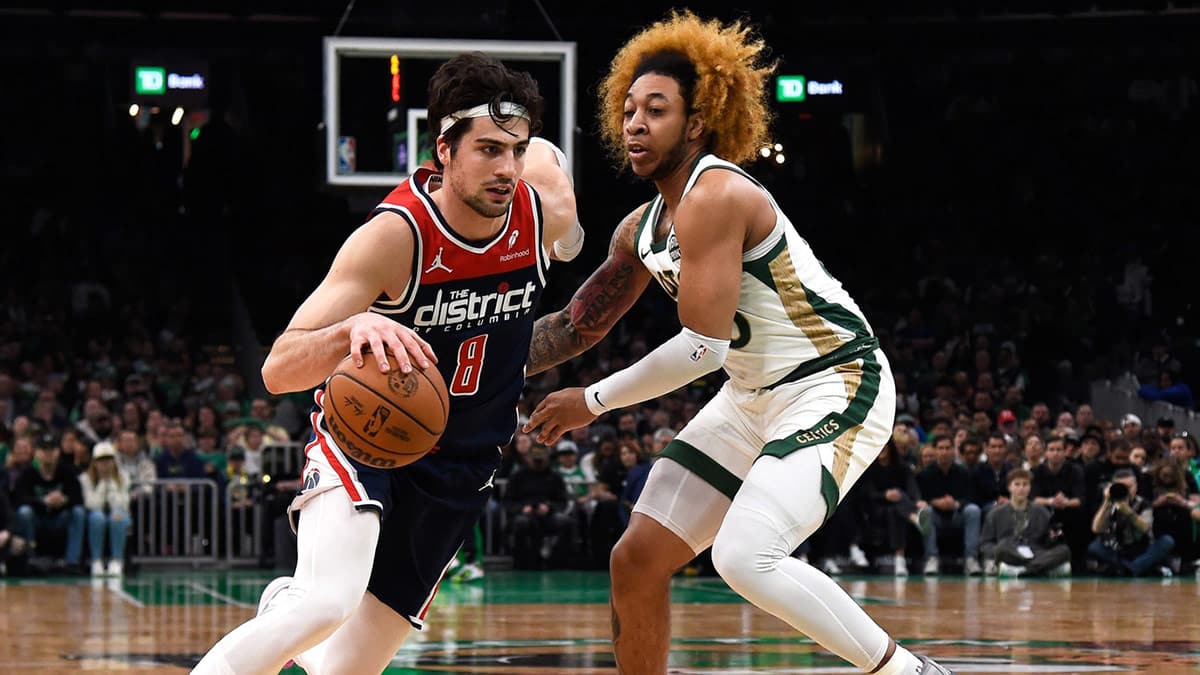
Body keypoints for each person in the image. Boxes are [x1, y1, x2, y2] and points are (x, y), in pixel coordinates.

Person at [523, 11, 951, 674]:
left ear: (696, 123)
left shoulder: (717, 193)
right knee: (636, 557)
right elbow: (575, 326)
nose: (635, 123)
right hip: (753, 395)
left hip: (836, 381)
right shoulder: (641, 226)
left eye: (656, 110)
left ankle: (910, 672)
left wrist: (595, 400)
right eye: (630, 109)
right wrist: (469, 350)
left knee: (745, 554)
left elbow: (702, 348)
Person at [193, 52, 579, 675]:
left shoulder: (541, 210)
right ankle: (293, 604)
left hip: (461, 466)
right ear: (443, 150)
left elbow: (560, 196)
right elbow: (278, 369)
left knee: (347, 668)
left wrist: (564, 220)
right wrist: (352, 328)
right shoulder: (396, 237)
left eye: (517, 149)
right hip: (367, 440)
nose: (506, 168)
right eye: (486, 150)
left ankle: (281, 609)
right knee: (325, 603)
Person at [979, 469, 1070, 577]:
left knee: (1064, 550)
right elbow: (985, 544)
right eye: (1017, 484)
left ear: (1030, 487)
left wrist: (1052, 538)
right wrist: (997, 550)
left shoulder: (1041, 511)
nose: (1021, 488)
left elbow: (1048, 541)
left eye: (1025, 485)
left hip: (1036, 552)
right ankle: (1042, 568)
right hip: (1011, 552)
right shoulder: (995, 513)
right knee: (1001, 548)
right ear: (1009, 487)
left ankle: (1024, 570)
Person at [79, 441, 131, 577]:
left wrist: (111, 485)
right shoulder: (85, 479)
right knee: (98, 518)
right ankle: (96, 561)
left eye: (108, 460)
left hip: (120, 515)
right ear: (94, 463)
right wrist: (102, 485)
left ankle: (117, 560)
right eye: (101, 461)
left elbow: (123, 503)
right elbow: (91, 504)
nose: (105, 465)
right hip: (96, 515)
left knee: (117, 516)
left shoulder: (123, 478)